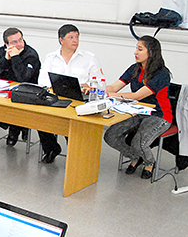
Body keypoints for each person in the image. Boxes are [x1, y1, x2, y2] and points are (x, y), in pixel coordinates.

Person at [104, 35, 172, 179]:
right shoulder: (135, 69)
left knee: (138, 142)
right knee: (110, 135)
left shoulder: (162, 74)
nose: (135, 52)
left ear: (151, 52)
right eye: (136, 48)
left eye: (140, 49)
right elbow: (115, 86)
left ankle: (149, 162)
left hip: (159, 115)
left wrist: (112, 95)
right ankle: (135, 157)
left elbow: (137, 96)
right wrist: (96, 87)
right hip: (137, 112)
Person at [37, 24, 101, 163]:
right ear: (61, 40)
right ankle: (51, 149)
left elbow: (100, 82)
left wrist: (89, 86)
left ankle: (75, 157)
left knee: (71, 124)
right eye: (71, 37)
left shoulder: (89, 58)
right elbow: (42, 80)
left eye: (77, 37)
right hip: (55, 98)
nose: (75, 40)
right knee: (40, 118)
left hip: (78, 100)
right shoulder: (51, 57)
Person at [0, 28, 41, 146]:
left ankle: (16, 127)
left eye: (20, 40)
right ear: (6, 44)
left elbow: (24, 78)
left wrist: (15, 57)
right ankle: (15, 125)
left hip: (26, 93)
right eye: (14, 42)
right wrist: (6, 59)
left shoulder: (31, 54)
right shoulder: (2, 51)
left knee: (14, 105)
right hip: (5, 90)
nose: (19, 44)